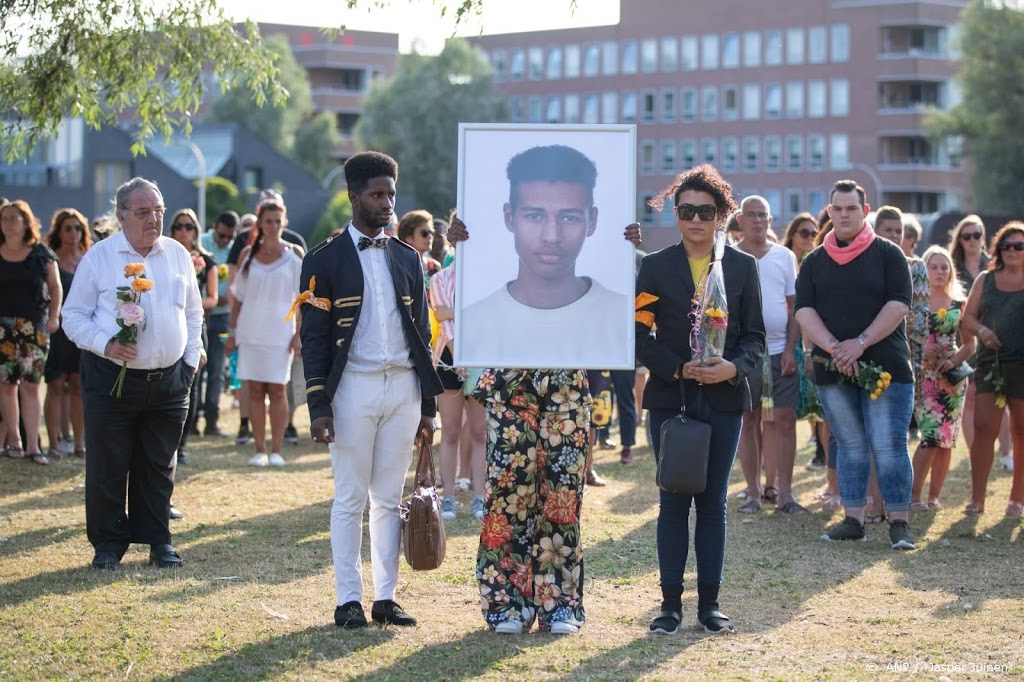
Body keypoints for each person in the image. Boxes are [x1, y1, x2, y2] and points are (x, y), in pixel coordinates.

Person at [448, 215, 641, 636]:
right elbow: (478, 285)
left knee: (562, 497)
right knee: (507, 494)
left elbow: (613, 299)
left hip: (567, 385)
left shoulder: (584, 246)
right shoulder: (497, 242)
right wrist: (464, 249)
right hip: (508, 382)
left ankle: (559, 603)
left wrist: (622, 249)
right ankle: (506, 602)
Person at [298, 151, 442, 628]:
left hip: (402, 387)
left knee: (388, 498)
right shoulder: (323, 258)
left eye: (391, 195)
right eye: (377, 195)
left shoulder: (407, 257)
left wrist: (427, 405)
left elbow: (421, 334)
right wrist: (319, 404)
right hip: (352, 389)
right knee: (349, 498)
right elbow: (314, 339)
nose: (387, 204)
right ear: (353, 196)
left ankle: (385, 596)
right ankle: (347, 599)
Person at [635, 164, 764, 636]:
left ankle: (709, 605)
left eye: (705, 212)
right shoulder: (653, 267)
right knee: (672, 501)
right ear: (675, 213)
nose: (695, 220)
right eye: (686, 210)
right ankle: (669, 605)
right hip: (671, 397)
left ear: (721, 215)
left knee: (712, 504)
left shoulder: (743, 266)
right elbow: (639, 336)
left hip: (725, 399)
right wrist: (678, 366)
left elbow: (754, 336)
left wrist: (734, 367)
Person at [63, 177, 203, 570]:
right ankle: (108, 545)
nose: (154, 219)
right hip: (112, 380)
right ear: (121, 216)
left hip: (170, 382)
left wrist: (190, 361)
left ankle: (159, 541)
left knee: (158, 465)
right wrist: (106, 343)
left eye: (158, 210)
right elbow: (72, 316)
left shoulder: (177, 254)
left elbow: (193, 312)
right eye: (143, 212)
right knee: (110, 465)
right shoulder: (101, 257)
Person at [795, 179, 917, 550]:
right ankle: (853, 520)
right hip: (834, 368)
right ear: (829, 212)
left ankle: (899, 523)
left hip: (886, 369)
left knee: (889, 445)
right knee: (849, 445)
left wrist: (860, 343)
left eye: (851, 208)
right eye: (837, 209)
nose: (844, 214)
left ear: (865, 212)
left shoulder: (888, 254)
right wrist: (835, 348)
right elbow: (804, 310)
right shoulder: (815, 260)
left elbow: (899, 304)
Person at [461, 144, 630, 367]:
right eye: (534, 216)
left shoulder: (623, 318)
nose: (552, 236)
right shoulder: (473, 323)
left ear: (593, 221)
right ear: (510, 218)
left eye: (569, 218)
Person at [733, 195, 804, 515]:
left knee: (786, 420)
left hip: (780, 352)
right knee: (748, 420)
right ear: (741, 221)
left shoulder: (785, 257)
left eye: (763, 215)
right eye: (752, 215)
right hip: (745, 354)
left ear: (771, 221)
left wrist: (791, 349)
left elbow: (794, 308)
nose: (758, 221)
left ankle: (786, 494)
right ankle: (752, 492)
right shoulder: (727, 258)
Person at [227, 201, 304, 468]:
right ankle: (259, 449)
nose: (272, 226)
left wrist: (298, 335)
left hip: (280, 332)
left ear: (284, 223)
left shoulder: (294, 255)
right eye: (268, 220)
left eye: (277, 221)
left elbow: (301, 300)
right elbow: (238, 298)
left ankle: (277, 449)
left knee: (278, 390)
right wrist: (232, 331)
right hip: (250, 331)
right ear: (260, 222)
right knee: (255, 389)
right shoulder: (248, 254)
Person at [960, 222, 1024, 517]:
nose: (1012, 251)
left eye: (1019, 246)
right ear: (998, 249)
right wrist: (982, 330)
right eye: (1006, 245)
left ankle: (1017, 500)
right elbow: (967, 318)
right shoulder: (985, 279)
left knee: (1022, 430)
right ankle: (977, 500)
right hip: (990, 365)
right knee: (984, 427)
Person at [910, 246, 973, 511]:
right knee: (929, 436)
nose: (939, 271)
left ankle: (934, 496)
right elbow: (905, 336)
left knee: (947, 438)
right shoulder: (915, 302)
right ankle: (913, 497)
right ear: (924, 269)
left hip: (951, 379)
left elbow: (970, 344)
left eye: (944, 266)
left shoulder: (960, 303)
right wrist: (924, 349)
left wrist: (954, 359)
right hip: (923, 375)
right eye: (933, 266)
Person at [948, 215, 1012, 470]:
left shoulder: (995, 266)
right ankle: (977, 456)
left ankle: (1007, 454)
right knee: (970, 397)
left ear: (984, 238)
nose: (973, 240)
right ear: (960, 240)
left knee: (1001, 398)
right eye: (967, 236)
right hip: (961, 340)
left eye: (977, 235)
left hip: (993, 339)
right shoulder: (951, 266)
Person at [0, 200, 62, 465]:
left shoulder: (41, 252)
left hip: (34, 327)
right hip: (2, 328)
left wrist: (54, 316)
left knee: (31, 385)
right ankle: (13, 439)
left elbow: (56, 287)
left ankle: (33, 445)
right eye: (4, 218)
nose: (9, 222)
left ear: (27, 221)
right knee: (6, 384)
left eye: (14, 217)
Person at [429, 259, 487, 521]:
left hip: (481, 358)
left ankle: (479, 497)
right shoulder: (440, 278)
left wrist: (452, 311)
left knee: (479, 432)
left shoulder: (487, 275)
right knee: (450, 431)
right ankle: (448, 497)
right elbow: (443, 321)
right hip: (447, 360)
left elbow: (488, 313)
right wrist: (458, 356)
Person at [168, 209, 217, 465]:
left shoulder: (206, 261)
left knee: (192, 384)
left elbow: (213, 297)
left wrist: (189, 303)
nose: (183, 231)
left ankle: (182, 444)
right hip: (169, 328)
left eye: (188, 226)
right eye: (178, 226)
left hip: (196, 328)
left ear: (196, 230)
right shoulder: (163, 257)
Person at [43, 208, 91, 461]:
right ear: (59, 232)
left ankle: (80, 443)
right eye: (68, 228)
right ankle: (53, 443)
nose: (74, 233)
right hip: (56, 330)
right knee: (55, 384)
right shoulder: (49, 259)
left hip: (80, 332)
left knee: (77, 386)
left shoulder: (89, 259)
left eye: (78, 228)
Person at [198, 210, 239, 437]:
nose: (224, 241)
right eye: (221, 236)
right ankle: (192, 419)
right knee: (196, 369)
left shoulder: (234, 248)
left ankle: (211, 420)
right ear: (215, 227)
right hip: (202, 313)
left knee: (216, 370)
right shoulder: (202, 243)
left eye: (228, 237)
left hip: (222, 315)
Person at [397, 210, 442, 286]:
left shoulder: (435, 267)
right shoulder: (399, 267)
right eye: (424, 233)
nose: (430, 237)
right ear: (408, 238)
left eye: (431, 232)